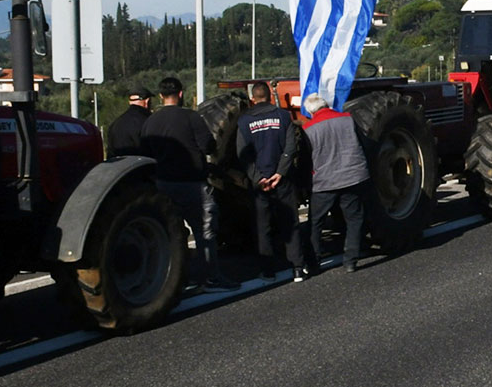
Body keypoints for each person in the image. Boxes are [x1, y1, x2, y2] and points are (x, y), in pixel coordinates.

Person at [141, 77, 235, 290]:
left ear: (160, 96)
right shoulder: (191, 117)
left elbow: (145, 153)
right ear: (181, 94)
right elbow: (208, 146)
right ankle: (211, 277)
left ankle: (179, 280)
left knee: (171, 235)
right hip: (192, 183)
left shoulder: (150, 122)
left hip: (163, 184)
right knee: (204, 232)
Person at [234, 82, 309, 281]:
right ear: (269, 96)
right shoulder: (283, 116)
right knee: (290, 223)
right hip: (283, 180)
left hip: (260, 183)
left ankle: (268, 271)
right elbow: (291, 148)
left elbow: (242, 154)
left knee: (263, 227)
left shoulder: (244, 122)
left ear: (253, 99)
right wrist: (280, 173)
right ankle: (297, 267)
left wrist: (258, 178)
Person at [303, 92, 373, 273]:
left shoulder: (308, 128)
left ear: (311, 112)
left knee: (315, 222)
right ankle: (350, 261)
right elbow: (364, 143)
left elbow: (306, 159)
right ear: (326, 105)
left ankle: (314, 261)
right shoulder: (348, 119)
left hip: (324, 181)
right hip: (352, 177)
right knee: (354, 219)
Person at [105, 87, 151, 158]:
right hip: (141, 162)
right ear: (147, 101)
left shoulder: (116, 123)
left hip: (119, 163)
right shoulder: (148, 121)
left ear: (129, 102)